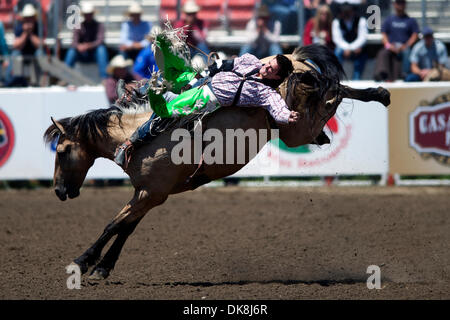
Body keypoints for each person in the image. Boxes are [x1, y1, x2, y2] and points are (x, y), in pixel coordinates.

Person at [113, 31, 297, 168]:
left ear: (276, 78)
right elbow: (224, 65)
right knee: (170, 78)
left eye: (271, 70)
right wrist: (202, 73)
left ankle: (129, 144)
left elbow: (278, 109)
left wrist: (288, 117)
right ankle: (132, 96)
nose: (266, 68)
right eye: (268, 64)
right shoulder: (251, 61)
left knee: (167, 113)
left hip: (206, 99)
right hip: (204, 80)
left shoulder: (266, 93)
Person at [373, 0, 419, 81]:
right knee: (383, 53)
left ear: (405, 4)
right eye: (398, 3)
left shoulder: (411, 20)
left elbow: (415, 35)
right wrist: (388, 46)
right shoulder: (389, 20)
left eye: (402, 3)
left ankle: (405, 75)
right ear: (394, 4)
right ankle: (382, 75)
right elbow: (384, 35)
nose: (400, 5)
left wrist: (406, 46)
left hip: (405, 46)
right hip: (391, 46)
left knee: (407, 52)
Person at [64, 2, 109, 80]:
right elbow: (74, 42)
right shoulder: (78, 25)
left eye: (89, 14)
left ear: (92, 14)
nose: (88, 16)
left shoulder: (99, 25)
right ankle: (64, 77)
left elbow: (100, 41)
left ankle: (104, 78)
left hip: (94, 54)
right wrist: (79, 46)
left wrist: (88, 46)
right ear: (83, 15)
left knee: (101, 50)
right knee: (71, 51)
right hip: (81, 54)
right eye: (86, 14)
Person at [332, 3, 367, 80]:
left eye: (348, 11)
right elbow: (337, 39)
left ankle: (356, 80)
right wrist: (347, 48)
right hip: (343, 48)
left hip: (357, 48)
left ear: (353, 11)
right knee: (337, 52)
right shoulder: (337, 22)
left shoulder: (361, 20)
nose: (346, 13)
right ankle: (337, 78)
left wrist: (352, 48)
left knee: (362, 52)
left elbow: (362, 38)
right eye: (344, 11)